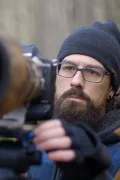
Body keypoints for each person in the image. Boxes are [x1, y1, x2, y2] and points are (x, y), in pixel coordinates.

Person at [28, 21, 120, 179]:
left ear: (111, 90)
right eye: (68, 68)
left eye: (92, 72)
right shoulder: (37, 149)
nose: (76, 81)